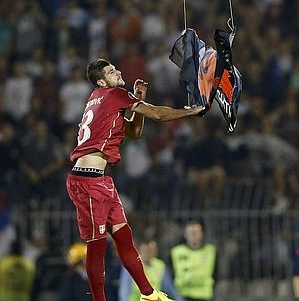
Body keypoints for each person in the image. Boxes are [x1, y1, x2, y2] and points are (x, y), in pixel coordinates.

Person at [66, 58, 205, 301]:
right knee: (97, 244)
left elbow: (134, 131)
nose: (118, 71)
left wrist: (137, 100)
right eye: (111, 71)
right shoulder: (113, 93)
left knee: (123, 236)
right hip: (87, 182)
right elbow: (157, 115)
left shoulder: (100, 98)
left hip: (100, 180)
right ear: (101, 81)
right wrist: (191, 110)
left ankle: (149, 294)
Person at [170, 220, 217, 301]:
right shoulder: (176, 252)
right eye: (190, 232)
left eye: (196, 232)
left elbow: (217, 274)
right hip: (182, 296)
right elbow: (170, 275)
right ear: (185, 234)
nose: (193, 235)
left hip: (205, 296)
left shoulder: (211, 251)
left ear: (202, 234)